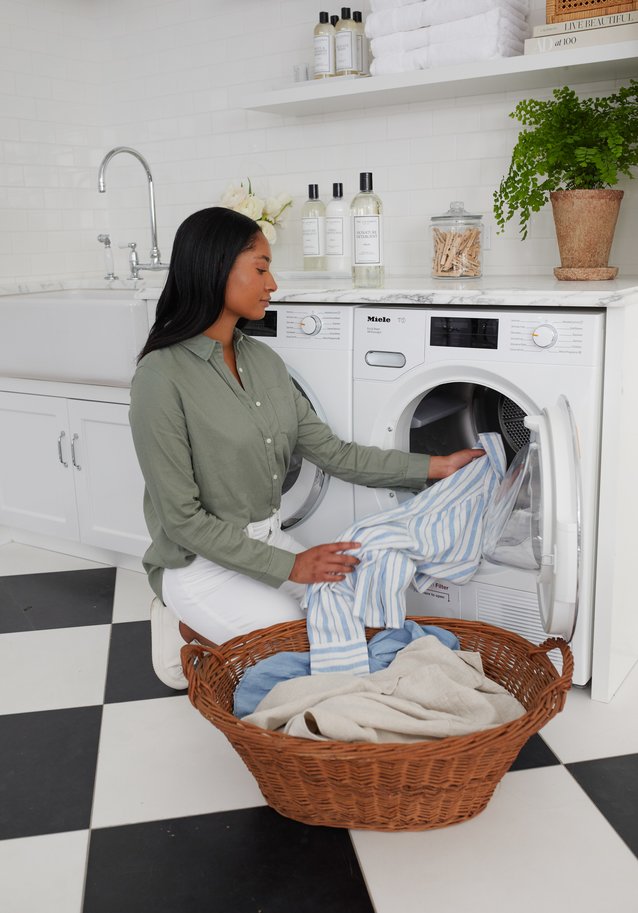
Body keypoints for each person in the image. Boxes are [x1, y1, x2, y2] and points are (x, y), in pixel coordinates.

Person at [129, 207, 484, 689]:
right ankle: (183, 617)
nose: (272, 284)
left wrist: (437, 466)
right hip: (198, 565)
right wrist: (294, 566)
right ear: (216, 268)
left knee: (346, 624)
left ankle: (205, 627)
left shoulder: (264, 362)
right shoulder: (160, 378)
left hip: (267, 539)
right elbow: (182, 521)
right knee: (308, 655)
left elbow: (334, 454)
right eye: (260, 268)